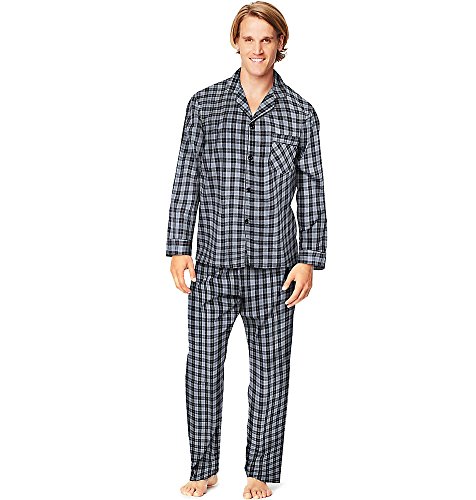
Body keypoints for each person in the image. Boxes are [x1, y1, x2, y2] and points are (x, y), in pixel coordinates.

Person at [166, 2, 327, 497]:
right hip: (212, 264)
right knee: (202, 370)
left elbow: (312, 188)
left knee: (271, 375)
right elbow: (186, 176)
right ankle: (204, 467)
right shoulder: (204, 105)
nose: (258, 49)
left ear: (281, 44)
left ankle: (259, 470)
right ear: (236, 42)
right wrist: (178, 247)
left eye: (267, 39)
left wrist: (309, 258)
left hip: (276, 269)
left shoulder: (301, 113)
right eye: (249, 38)